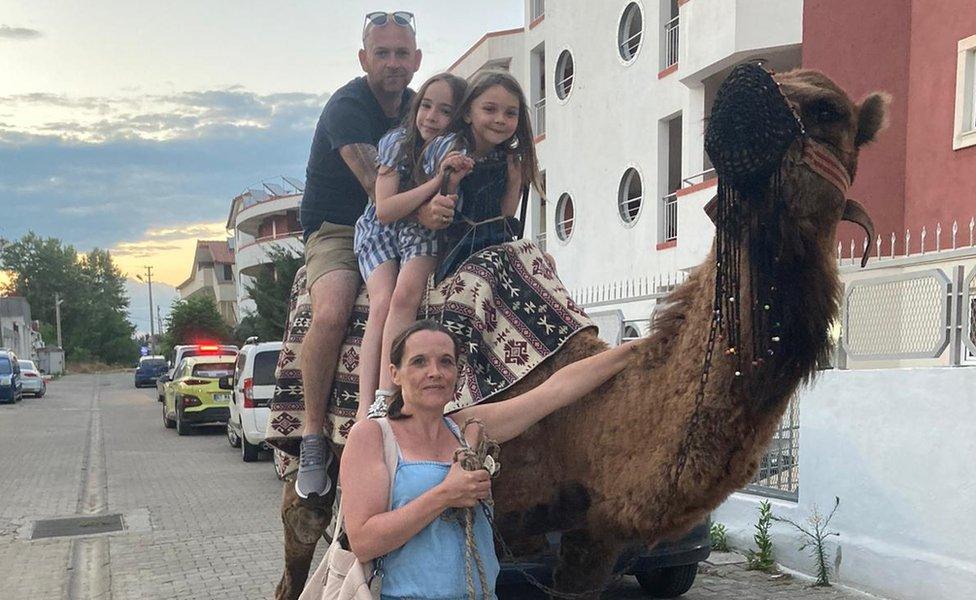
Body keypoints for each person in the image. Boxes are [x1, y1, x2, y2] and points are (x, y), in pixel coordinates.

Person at [339, 320, 637, 600]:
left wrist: (635, 350)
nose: (435, 372)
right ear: (395, 373)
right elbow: (365, 542)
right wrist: (445, 495)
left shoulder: (469, 428)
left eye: (445, 361)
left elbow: (554, 392)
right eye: (419, 362)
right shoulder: (372, 436)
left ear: (457, 372)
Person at [295, 11, 457, 501]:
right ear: (364, 58)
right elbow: (377, 190)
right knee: (334, 306)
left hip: (413, 221)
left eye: (401, 53)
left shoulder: (421, 105)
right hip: (345, 226)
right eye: (382, 53)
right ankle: (312, 434)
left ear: (417, 60)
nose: (392, 62)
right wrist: (430, 206)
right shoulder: (348, 107)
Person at [354, 73, 473, 424]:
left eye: (444, 110)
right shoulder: (396, 142)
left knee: (403, 294)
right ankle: (371, 402)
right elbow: (385, 209)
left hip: (416, 231)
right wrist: (435, 182)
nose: (431, 117)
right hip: (381, 231)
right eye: (426, 105)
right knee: (383, 299)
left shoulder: (449, 147)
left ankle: (391, 395)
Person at [421, 69, 544, 283]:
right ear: (468, 113)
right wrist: (450, 181)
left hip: (490, 246)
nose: (500, 120)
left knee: (544, 263)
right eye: (489, 109)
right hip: (451, 247)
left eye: (510, 113)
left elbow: (503, 219)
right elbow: (444, 218)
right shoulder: (452, 150)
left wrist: (514, 181)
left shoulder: (507, 159)